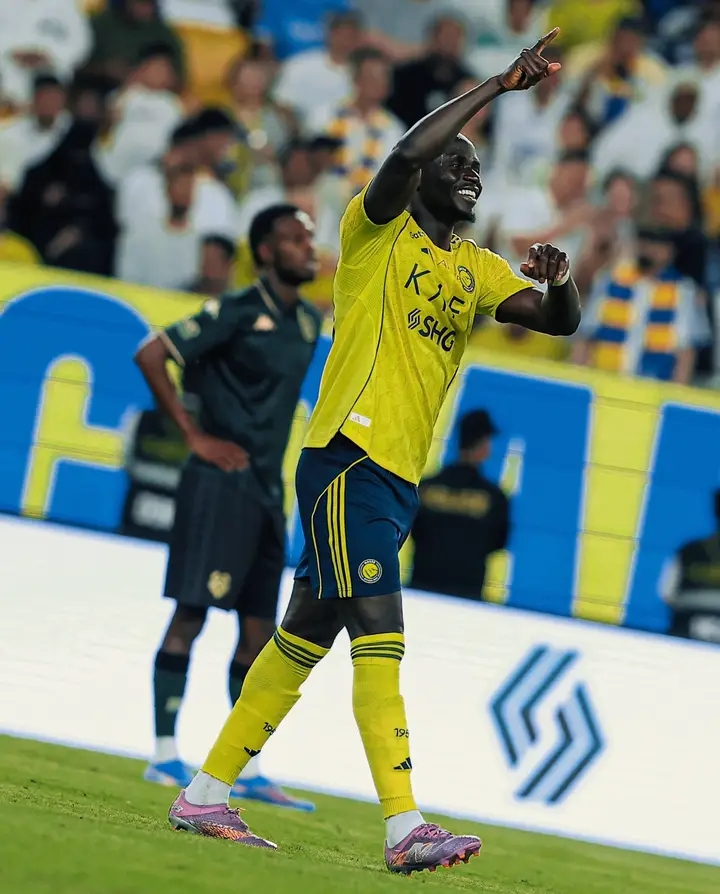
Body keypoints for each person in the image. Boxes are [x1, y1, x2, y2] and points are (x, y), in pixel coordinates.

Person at [167, 29, 580, 873]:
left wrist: (561, 278)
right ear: (422, 178)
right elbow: (403, 152)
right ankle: (403, 826)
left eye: (476, 167)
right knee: (380, 629)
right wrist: (498, 87)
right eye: (454, 162)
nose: (468, 172)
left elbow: (557, 321)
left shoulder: (476, 269)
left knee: (303, 635)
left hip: (396, 476)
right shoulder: (374, 231)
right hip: (347, 459)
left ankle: (204, 793)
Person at [134, 204, 323, 811]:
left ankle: (247, 768)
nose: (308, 248)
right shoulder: (237, 310)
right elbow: (151, 353)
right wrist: (195, 436)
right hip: (218, 486)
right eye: (294, 239)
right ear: (265, 251)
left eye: (309, 238)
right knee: (192, 614)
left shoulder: (308, 323)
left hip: (267, 492)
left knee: (259, 632)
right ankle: (164, 753)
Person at [571, 226, 710, 384]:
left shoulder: (683, 292)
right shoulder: (610, 281)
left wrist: (677, 391)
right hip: (605, 381)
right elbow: (585, 336)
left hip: (653, 387)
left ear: (669, 251)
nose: (648, 250)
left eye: (656, 245)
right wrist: (578, 377)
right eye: (644, 242)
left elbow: (686, 353)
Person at [410, 410, 510, 599]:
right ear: (483, 445)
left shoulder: (427, 487)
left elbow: (413, 531)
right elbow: (498, 542)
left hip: (421, 589)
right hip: (467, 595)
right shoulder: (494, 497)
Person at [661, 489, 720, 645]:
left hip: (684, 636)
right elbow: (667, 594)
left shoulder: (688, 550)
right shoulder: (688, 551)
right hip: (684, 638)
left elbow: (667, 593)